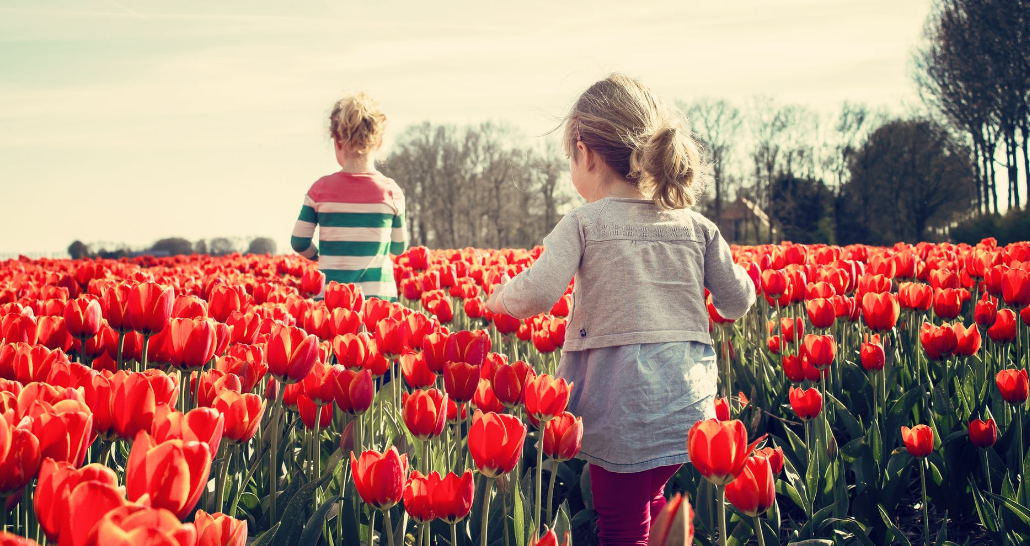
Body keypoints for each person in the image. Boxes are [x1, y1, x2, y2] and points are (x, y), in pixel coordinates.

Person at [485, 74, 755, 546]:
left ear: (584, 152)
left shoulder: (584, 223)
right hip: (687, 405)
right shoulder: (697, 226)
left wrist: (499, 298)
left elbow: (539, 294)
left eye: (571, 158)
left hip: (620, 404)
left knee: (620, 520)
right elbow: (736, 301)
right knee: (649, 497)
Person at [290, 92, 408, 300]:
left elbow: (298, 241)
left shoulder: (320, 190)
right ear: (379, 142)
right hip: (378, 298)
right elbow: (399, 247)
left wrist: (319, 256)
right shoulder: (391, 192)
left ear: (337, 141)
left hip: (331, 299)